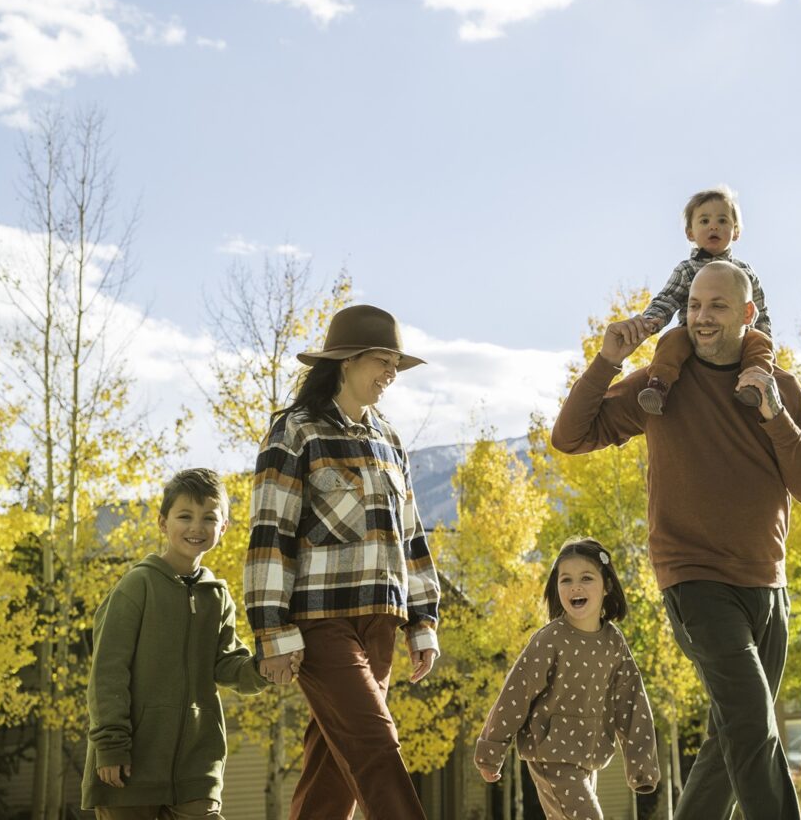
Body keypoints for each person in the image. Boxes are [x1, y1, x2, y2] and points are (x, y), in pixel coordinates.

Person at [552, 261, 801, 819]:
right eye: (695, 306)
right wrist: (608, 360)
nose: (701, 317)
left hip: (768, 585)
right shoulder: (662, 386)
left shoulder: (779, 388)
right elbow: (571, 436)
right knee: (753, 722)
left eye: (718, 306)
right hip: (695, 581)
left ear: (749, 315)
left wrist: (774, 415)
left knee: (729, 737)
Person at [245, 304, 441, 820]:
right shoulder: (296, 432)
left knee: (334, 766)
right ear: (346, 361)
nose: (391, 374)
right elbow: (270, 535)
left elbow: (412, 537)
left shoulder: (389, 439)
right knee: (376, 744)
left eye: (396, 363)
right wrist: (271, 632)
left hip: (381, 620)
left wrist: (424, 622)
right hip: (319, 622)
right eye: (382, 360)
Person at [81, 468, 270, 820]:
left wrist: (264, 666)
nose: (196, 527)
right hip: (130, 765)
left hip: (196, 768)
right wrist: (110, 745)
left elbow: (228, 664)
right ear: (163, 522)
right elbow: (107, 672)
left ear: (223, 527)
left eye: (209, 518)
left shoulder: (218, 596)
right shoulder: (137, 585)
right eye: (185, 516)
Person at [474, 537, 660, 819]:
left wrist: (642, 766)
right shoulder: (550, 640)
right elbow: (516, 694)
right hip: (550, 753)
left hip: (590, 754)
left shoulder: (614, 643)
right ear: (556, 587)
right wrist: (491, 750)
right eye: (566, 580)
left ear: (607, 585)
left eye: (586, 578)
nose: (575, 586)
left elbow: (632, 703)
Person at [634, 185, 774, 415]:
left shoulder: (744, 272)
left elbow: (760, 310)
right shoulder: (687, 270)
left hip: (737, 337)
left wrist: (764, 337)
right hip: (694, 335)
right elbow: (667, 299)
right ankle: (659, 385)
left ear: (735, 231)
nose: (714, 226)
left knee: (759, 343)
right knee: (672, 340)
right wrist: (650, 322)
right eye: (704, 221)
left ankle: (754, 384)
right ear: (690, 233)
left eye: (722, 220)